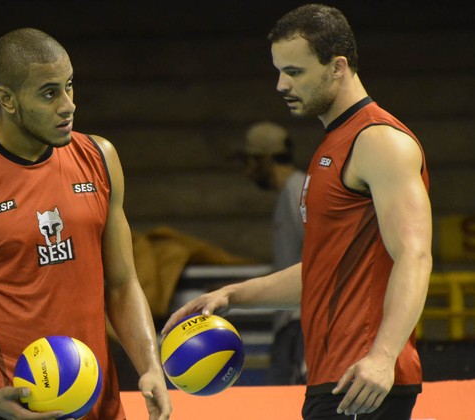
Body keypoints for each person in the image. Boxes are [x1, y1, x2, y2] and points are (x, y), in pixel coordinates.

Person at [163, 4, 431, 419]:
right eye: (279, 70)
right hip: (336, 379)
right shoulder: (334, 145)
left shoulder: (379, 141)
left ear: (338, 66)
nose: (280, 84)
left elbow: (415, 254)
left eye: (294, 71)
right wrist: (231, 295)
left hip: (365, 382)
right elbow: (323, 269)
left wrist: (383, 355)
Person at [0, 28, 172, 420]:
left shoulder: (101, 157)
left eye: (69, 87)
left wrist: (150, 367)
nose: (68, 105)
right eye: (49, 93)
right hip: (8, 410)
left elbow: (121, 285)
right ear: (7, 100)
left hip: (99, 406)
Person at [236, 120, 306, 385]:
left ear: (263, 160)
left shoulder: (297, 191)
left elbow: (324, 258)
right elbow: (294, 263)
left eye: (248, 162)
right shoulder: (290, 192)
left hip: (302, 322)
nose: (246, 172)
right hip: (293, 321)